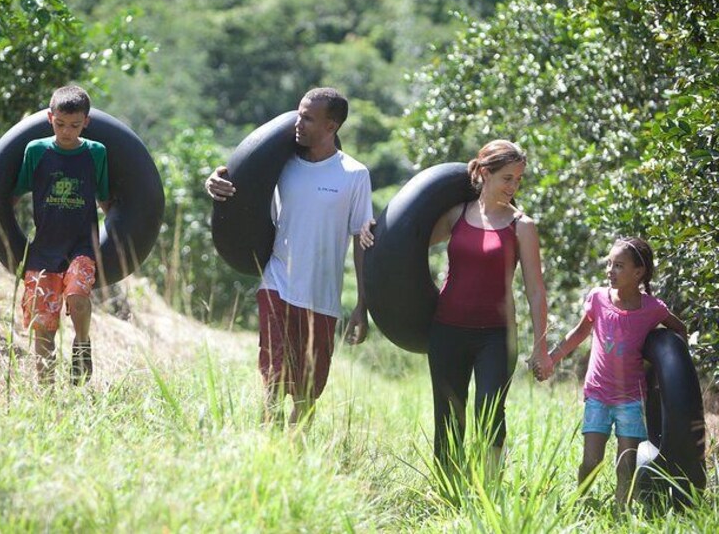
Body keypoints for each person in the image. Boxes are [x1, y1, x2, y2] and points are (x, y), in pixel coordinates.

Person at [360, 140, 551, 470]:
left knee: (490, 413)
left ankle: (491, 492)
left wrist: (541, 347)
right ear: (484, 173)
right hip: (447, 330)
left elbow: (536, 291)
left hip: (497, 335)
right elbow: (406, 241)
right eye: (507, 178)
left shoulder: (523, 226)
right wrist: (373, 229)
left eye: (518, 179)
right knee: (448, 416)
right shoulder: (456, 216)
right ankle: (449, 491)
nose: (513, 186)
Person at [205, 87, 373, 426]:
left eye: (308, 118)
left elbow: (361, 239)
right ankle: (268, 437)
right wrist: (215, 182)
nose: (298, 123)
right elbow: (241, 181)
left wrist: (362, 306)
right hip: (278, 281)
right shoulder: (284, 165)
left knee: (307, 392)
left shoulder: (354, 175)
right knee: (274, 373)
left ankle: (295, 451)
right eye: (299, 114)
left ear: (332, 127)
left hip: (322, 297)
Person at [0, 85, 111, 386]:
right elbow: (13, 196)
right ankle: (47, 395)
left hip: (82, 247)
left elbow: (105, 200)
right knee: (44, 326)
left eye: (75, 125)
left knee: (78, 297)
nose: (67, 131)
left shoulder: (96, 153)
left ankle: (82, 344)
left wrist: (127, 229)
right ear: (50, 117)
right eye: (60, 124)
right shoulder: (36, 151)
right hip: (44, 249)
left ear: (86, 122)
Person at [541, 237, 686, 506]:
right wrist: (552, 357)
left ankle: (621, 511)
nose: (610, 270)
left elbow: (679, 330)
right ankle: (580, 502)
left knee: (626, 465)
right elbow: (580, 332)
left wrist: (663, 367)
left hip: (631, 399)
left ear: (638, 272)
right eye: (609, 264)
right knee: (591, 462)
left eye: (618, 265)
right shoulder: (598, 298)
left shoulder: (652, 309)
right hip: (597, 394)